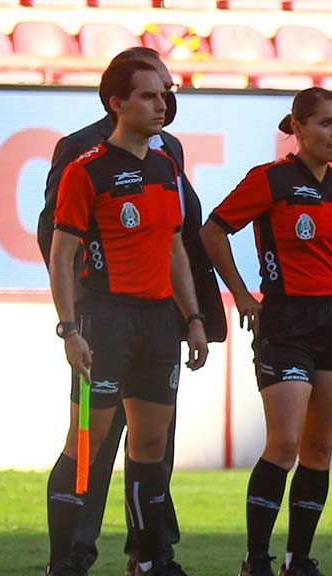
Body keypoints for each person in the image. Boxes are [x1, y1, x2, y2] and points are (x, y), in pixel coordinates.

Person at [37, 46, 226, 576]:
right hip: (104, 320)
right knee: (89, 445)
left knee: (152, 446)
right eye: (153, 91)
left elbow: (177, 241)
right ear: (118, 101)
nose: (166, 100)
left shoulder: (169, 156)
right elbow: (55, 241)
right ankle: (69, 558)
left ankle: (149, 557)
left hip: (159, 321)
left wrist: (193, 318)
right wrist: (71, 322)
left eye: (169, 91)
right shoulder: (79, 156)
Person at [199, 87, 332, 576]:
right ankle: (255, 560)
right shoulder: (270, 179)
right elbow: (212, 230)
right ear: (297, 129)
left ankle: (298, 560)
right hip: (286, 324)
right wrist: (239, 292)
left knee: (318, 449)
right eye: (324, 123)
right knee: (283, 443)